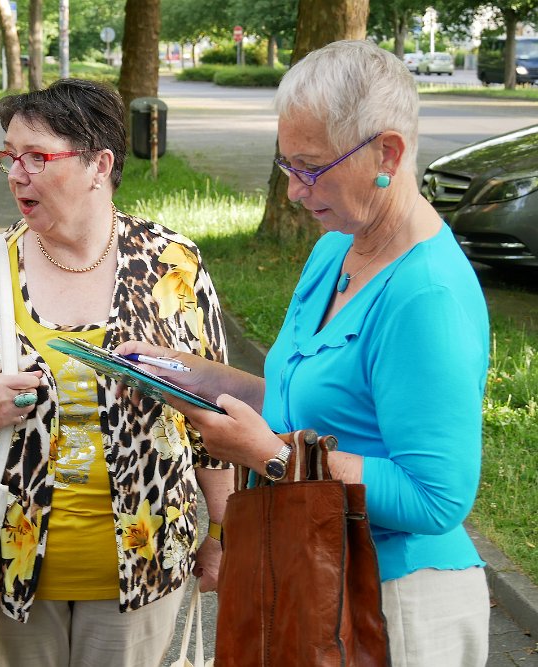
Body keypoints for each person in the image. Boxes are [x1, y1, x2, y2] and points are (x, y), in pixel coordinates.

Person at [117, 40, 490, 666]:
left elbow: (435, 498)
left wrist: (270, 456)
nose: (292, 190)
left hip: (394, 603)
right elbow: (304, 404)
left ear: (388, 153)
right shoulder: (335, 249)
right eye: (285, 164)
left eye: (310, 167)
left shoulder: (427, 295)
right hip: (317, 576)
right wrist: (191, 376)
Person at [0, 78, 232, 667]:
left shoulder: (171, 263)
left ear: (100, 164)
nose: (17, 174)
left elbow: (213, 413)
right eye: (9, 157)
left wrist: (222, 531)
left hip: (144, 570)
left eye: (37, 157)